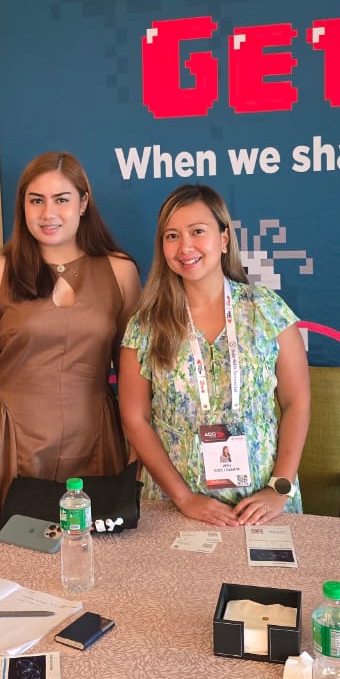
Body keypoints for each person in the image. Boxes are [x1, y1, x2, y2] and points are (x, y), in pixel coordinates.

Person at [0, 152, 141, 570]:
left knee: (94, 566)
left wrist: (137, 454)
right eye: (36, 200)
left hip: (96, 440)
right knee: (7, 569)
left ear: (84, 202)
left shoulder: (121, 271)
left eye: (61, 199)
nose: (48, 213)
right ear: (22, 205)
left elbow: (134, 374)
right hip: (9, 441)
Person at [119, 184, 309, 526]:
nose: (185, 247)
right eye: (172, 236)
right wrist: (184, 498)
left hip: (262, 504)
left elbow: (297, 402)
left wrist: (279, 489)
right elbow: (135, 419)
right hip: (173, 505)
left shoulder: (266, 310)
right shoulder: (146, 324)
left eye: (197, 232)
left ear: (224, 239)